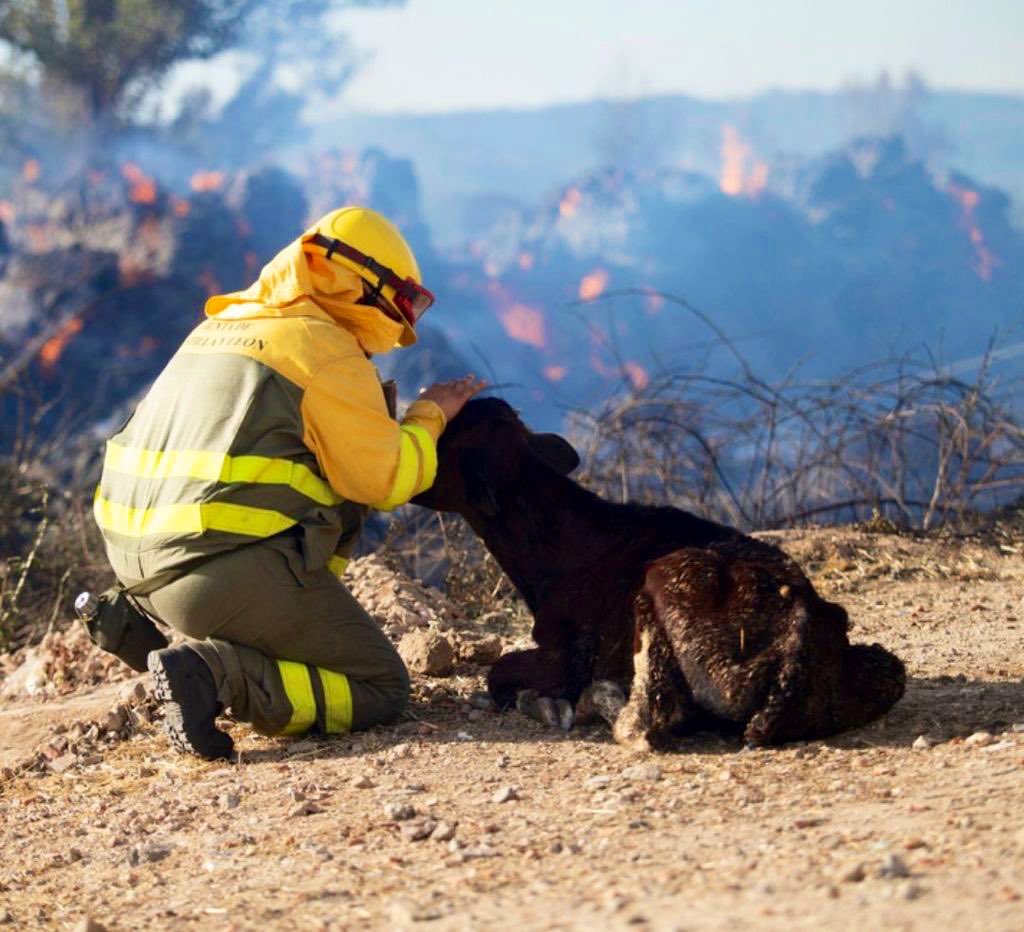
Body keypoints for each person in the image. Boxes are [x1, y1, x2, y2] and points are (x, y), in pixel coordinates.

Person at [92, 206, 485, 759]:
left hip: (133, 570)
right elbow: (387, 479)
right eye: (402, 301)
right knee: (382, 688)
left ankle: (211, 645)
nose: (404, 321)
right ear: (362, 286)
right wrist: (429, 416)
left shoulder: (222, 326)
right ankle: (214, 673)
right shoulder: (322, 349)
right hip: (212, 573)